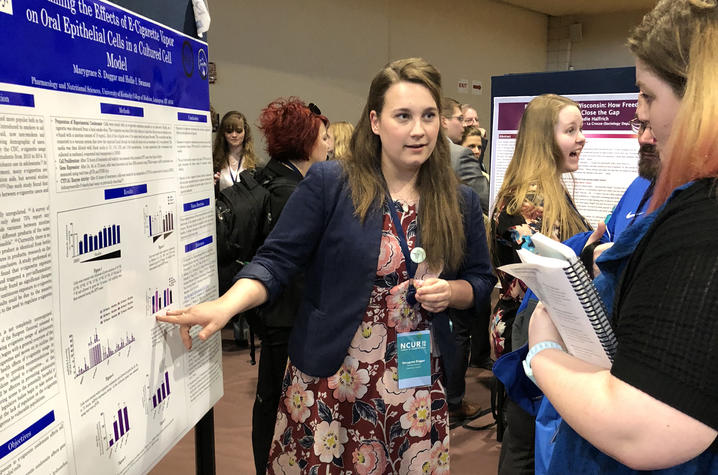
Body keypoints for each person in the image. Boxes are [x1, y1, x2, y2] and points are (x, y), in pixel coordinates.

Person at [158, 57, 495, 472]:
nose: (418, 130)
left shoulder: (457, 200)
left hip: (416, 380)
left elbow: (481, 279)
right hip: (335, 377)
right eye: (402, 116)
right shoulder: (332, 184)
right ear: (375, 121)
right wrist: (226, 305)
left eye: (428, 116)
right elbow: (278, 259)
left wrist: (454, 292)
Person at [527, 1, 718, 472]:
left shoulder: (703, 219)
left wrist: (543, 349)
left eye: (649, 95)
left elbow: (646, 427)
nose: (640, 115)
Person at [489, 93, 591, 474]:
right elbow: (545, 275)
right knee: (525, 443)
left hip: (537, 333)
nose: (582, 138)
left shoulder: (546, 194)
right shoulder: (528, 202)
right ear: (542, 138)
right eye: (571, 130)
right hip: (528, 339)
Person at [240, 98, 329, 474]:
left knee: (270, 400)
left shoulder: (271, 179)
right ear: (306, 142)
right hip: (284, 313)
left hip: (270, 311)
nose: (330, 145)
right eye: (324, 138)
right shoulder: (294, 191)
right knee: (275, 403)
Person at [213, 111, 258, 191]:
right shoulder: (214, 162)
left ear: (245, 132)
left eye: (238, 131)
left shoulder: (255, 163)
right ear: (223, 134)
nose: (234, 135)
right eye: (229, 131)